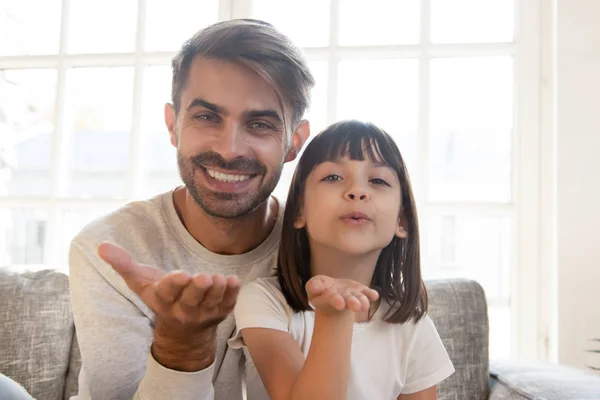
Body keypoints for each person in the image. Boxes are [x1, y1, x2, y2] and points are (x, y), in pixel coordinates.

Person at [68, 19, 314, 399]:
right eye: (206, 117)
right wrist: (179, 347)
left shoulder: (322, 248)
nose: (230, 149)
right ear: (173, 125)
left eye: (260, 123)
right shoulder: (108, 247)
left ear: (294, 143)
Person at [229, 120, 455, 399]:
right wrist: (333, 316)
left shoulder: (412, 326)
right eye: (333, 177)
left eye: (378, 180)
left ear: (401, 220)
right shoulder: (263, 302)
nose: (357, 191)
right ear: (299, 210)